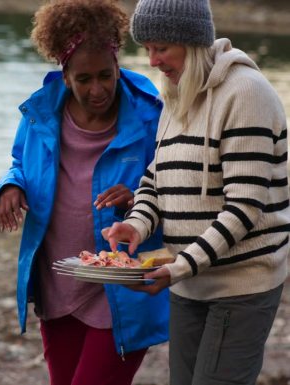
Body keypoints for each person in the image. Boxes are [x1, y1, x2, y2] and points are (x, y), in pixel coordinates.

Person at [103, 1, 290, 384]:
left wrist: (178, 267)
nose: (152, 61)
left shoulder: (246, 94)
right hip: (188, 282)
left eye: (161, 48)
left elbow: (244, 207)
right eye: (148, 49)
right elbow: (157, 178)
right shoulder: (178, 93)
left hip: (240, 284)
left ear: (192, 42)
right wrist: (137, 225)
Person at [0, 1, 169, 384]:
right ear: (65, 74)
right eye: (84, 78)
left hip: (122, 291)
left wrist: (138, 198)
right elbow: (21, 163)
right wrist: (10, 185)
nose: (98, 89)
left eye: (106, 75)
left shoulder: (152, 115)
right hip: (59, 280)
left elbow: (173, 187)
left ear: (118, 64)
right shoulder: (40, 113)